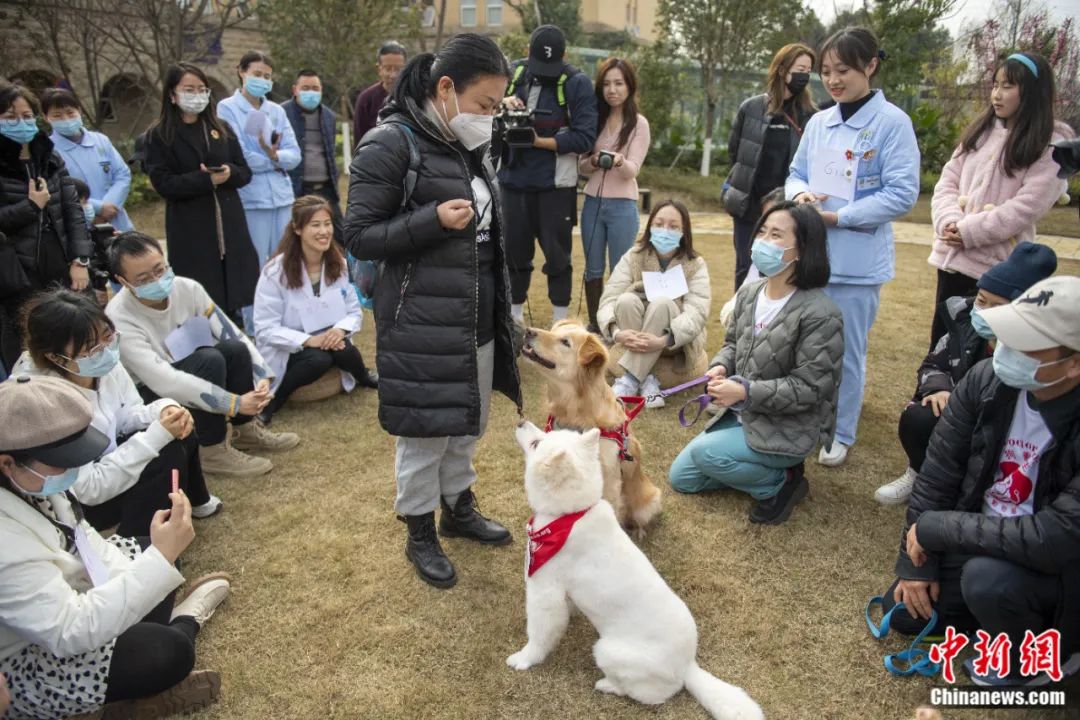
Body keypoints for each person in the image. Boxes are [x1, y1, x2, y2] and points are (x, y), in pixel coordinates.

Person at [345, 33, 522, 590]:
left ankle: (458, 506)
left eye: (496, 107)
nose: (489, 117)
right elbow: (359, 235)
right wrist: (431, 221)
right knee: (424, 431)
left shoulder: (465, 143)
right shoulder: (391, 143)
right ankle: (419, 528)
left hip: (476, 310)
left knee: (466, 419)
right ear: (445, 88)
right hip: (420, 318)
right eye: (484, 104)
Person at [883, 275, 1080, 687]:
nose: (1004, 347)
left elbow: (1056, 536)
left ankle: (1039, 660)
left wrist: (937, 529)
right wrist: (916, 565)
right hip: (982, 538)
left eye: (1026, 343)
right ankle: (992, 620)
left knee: (987, 582)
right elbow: (937, 476)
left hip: (1053, 568)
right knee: (903, 610)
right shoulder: (984, 380)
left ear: (1073, 362)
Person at [0, 375, 230, 719]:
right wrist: (158, 563)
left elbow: (88, 543)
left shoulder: (30, 481)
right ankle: (184, 622)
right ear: (7, 463)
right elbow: (68, 630)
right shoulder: (5, 541)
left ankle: (142, 644)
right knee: (169, 651)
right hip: (27, 661)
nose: (73, 468)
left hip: (71, 597)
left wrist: (156, 561)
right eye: (61, 459)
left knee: (151, 553)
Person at [786, 26, 920, 467]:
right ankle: (804, 418)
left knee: (846, 353)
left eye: (842, 70)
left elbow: (902, 193)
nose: (833, 80)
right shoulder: (819, 122)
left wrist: (841, 217)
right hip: (812, 255)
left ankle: (840, 431)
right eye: (826, 71)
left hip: (857, 263)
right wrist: (800, 194)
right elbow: (795, 173)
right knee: (804, 346)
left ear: (871, 65)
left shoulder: (892, 124)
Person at [668, 202, 843, 525]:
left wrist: (745, 392)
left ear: (803, 249)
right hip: (744, 413)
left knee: (706, 454)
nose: (762, 241)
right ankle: (752, 464)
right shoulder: (749, 293)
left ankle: (782, 482)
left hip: (786, 425)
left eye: (776, 235)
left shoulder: (821, 313)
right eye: (762, 231)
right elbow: (733, 344)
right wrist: (721, 365)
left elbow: (810, 388)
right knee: (682, 479)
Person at [13, 289, 223, 536]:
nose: (105, 350)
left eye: (108, 336)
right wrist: (156, 436)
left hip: (107, 458)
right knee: (165, 451)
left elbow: (128, 413)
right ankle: (142, 542)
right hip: (81, 500)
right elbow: (88, 489)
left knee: (178, 425)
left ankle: (195, 500)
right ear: (56, 358)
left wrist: (164, 409)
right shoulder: (44, 400)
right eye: (91, 348)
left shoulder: (101, 365)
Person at [875, 242, 1057, 505]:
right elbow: (933, 363)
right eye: (982, 300)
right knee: (919, 417)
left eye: (998, 306)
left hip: (1003, 427)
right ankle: (919, 471)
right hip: (958, 413)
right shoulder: (964, 324)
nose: (984, 311)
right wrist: (939, 388)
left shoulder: (1040, 352)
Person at [105, 232, 299, 478]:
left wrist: (262, 374)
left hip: (190, 367)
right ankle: (212, 449)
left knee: (234, 350)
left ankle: (245, 430)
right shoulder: (119, 318)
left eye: (159, 269)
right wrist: (234, 403)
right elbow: (163, 380)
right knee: (209, 360)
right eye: (143, 279)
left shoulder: (187, 288)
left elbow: (229, 331)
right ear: (123, 281)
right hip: (150, 393)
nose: (157, 280)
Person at [926, 51, 1073, 348]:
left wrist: (971, 231)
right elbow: (948, 181)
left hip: (998, 270)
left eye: (1007, 86)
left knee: (982, 351)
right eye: (995, 85)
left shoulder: (1050, 146)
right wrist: (950, 221)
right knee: (942, 347)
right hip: (953, 261)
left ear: (1032, 91)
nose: (997, 94)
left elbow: (1026, 207)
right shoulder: (980, 133)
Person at [498, 25, 598, 325]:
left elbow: (585, 137)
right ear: (527, 52)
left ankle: (560, 320)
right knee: (514, 253)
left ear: (564, 56)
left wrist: (538, 141)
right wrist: (502, 103)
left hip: (555, 185)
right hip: (513, 180)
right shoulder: (513, 74)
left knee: (558, 256)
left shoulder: (576, 83)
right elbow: (482, 110)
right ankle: (514, 318)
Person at [144, 62, 260, 320]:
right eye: (189, 89)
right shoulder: (159, 135)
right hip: (192, 226)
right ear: (172, 94)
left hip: (229, 222)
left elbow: (244, 172)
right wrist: (204, 180)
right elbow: (164, 184)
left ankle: (235, 329)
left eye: (201, 89)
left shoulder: (221, 128)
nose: (196, 95)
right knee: (200, 295)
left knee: (235, 291)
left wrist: (228, 173)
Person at [253, 195, 377, 425]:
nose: (324, 231)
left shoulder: (338, 264)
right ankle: (273, 401)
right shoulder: (274, 273)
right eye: (315, 225)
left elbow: (353, 312)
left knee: (344, 350)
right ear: (297, 229)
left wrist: (339, 330)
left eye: (327, 224)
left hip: (330, 338)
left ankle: (363, 376)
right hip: (291, 347)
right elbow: (265, 329)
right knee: (318, 359)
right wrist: (309, 340)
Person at [0, 85, 91, 373]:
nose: (21, 123)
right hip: (17, 273)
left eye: (27, 115)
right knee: (30, 347)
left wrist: (80, 259)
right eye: (10, 117)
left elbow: (73, 211)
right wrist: (30, 206)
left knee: (77, 337)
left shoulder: (49, 156)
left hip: (61, 262)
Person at [217, 50, 301, 330]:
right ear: (241, 72)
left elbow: (294, 155)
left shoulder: (276, 111)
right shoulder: (227, 108)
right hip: (251, 198)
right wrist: (274, 159)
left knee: (286, 262)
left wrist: (275, 157)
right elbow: (240, 156)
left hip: (282, 197)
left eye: (267, 76)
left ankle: (288, 320)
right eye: (256, 74)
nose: (262, 80)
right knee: (253, 266)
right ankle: (256, 326)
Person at [598, 200, 710, 407]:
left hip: (672, 340)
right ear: (650, 226)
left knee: (662, 303)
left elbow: (697, 312)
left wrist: (662, 340)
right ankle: (647, 380)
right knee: (625, 300)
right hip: (634, 330)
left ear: (684, 231)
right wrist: (616, 333)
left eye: (673, 226)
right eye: (659, 224)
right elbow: (609, 298)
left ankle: (630, 379)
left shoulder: (695, 264)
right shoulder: (634, 256)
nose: (665, 231)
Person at [725, 43, 817, 290]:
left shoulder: (810, 115)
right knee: (746, 265)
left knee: (784, 268)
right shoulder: (751, 108)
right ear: (782, 69)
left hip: (786, 206)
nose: (804, 76)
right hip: (749, 205)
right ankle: (743, 311)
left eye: (808, 71)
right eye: (800, 69)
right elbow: (735, 152)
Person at [578, 57, 650, 333]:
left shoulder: (639, 124)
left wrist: (619, 161)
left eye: (618, 83)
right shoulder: (594, 119)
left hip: (623, 206)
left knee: (621, 270)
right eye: (606, 84)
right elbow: (582, 165)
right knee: (593, 268)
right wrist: (595, 160)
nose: (612, 90)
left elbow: (632, 170)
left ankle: (619, 324)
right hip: (593, 202)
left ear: (630, 86)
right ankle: (596, 324)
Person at [41, 88, 134, 232]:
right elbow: (55, 189)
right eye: (57, 115)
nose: (66, 119)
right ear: (45, 117)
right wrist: (98, 208)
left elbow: (122, 174)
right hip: (78, 224)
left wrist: (110, 206)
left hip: (116, 218)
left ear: (79, 111)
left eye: (70, 113)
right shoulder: (47, 150)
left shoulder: (100, 140)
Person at [282, 69, 343, 243]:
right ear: (295, 89)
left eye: (315, 88)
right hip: (297, 189)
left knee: (341, 237)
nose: (311, 92)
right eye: (305, 88)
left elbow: (330, 152)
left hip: (326, 189)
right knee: (296, 238)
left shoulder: (328, 116)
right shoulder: (282, 113)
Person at [352, 41, 408, 145]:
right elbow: (359, 141)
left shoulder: (414, 97)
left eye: (398, 69)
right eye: (388, 69)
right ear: (379, 69)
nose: (393, 75)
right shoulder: (366, 99)